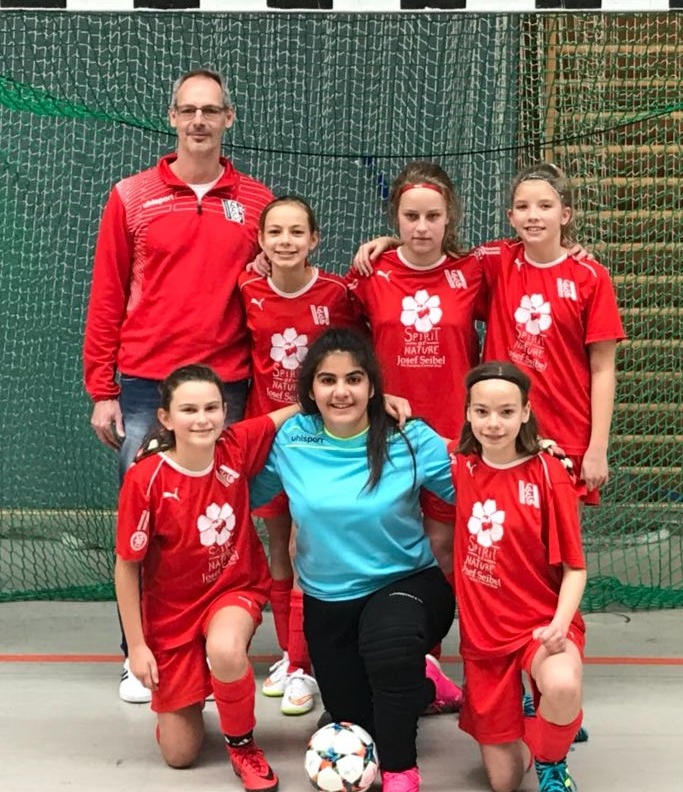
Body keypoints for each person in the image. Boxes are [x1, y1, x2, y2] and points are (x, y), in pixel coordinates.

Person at [82, 67, 273, 702]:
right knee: (149, 522)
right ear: (171, 117)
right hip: (144, 385)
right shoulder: (131, 196)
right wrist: (101, 389)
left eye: (210, 110)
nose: (199, 121)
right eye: (188, 110)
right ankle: (140, 654)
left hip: (228, 382)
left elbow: (276, 290)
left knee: (221, 520)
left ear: (229, 119)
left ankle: (221, 652)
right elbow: (107, 293)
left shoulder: (256, 201)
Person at [249, 327, 464, 792]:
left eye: (354, 379)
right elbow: (232, 486)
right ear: (310, 389)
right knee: (354, 716)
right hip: (329, 601)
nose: (341, 391)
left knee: (388, 653)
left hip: (407, 583)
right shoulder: (294, 440)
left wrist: (536, 455)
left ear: (373, 386)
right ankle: (426, 684)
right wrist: (169, 456)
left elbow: (481, 478)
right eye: (327, 380)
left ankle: (402, 773)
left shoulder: (409, 436)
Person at [115, 364, 298, 792]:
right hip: (172, 614)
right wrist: (137, 647)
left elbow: (283, 414)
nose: (202, 419)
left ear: (224, 411)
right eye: (189, 409)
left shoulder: (234, 447)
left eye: (212, 408)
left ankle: (243, 745)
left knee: (226, 648)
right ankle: (192, 694)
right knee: (179, 756)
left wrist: (376, 402)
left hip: (233, 589)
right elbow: (127, 566)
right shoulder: (146, 480)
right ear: (166, 418)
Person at [237, 196, 362, 715]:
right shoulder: (246, 287)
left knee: (307, 550)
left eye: (296, 232)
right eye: (275, 233)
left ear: (314, 239)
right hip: (272, 435)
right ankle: (292, 657)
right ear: (262, 242)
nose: (285, 241)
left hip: (321, 439)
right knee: (278, 547)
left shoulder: (337, 293)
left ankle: (305, 662)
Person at [343, 161, 486, 575]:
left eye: (432, 216)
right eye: (410, 217)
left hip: (451, 431)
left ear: (449, 217)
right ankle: (399, 637)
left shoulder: (472, 271)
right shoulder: (372, 271)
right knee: (389, 538)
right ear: (396, 219)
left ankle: (434, 639)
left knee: (442, 542)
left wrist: (569, 250)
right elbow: (342, 346)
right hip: (388, 428)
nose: (421, 227)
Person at [450, 361, 586, 792]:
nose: (494, 423)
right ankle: (534, 718)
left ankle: (552, 760)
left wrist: (559, 626)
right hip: (486, 637)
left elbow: (575, 569)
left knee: (562, 684)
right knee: (504, 783)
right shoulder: (458, 466)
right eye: (483, 412)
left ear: (526, 412)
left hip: (540, 625)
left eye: (507, 412)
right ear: (469, 413)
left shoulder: (549, 473)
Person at [474, 163, 626, 510]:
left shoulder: (590, 277)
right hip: (502, 434)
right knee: (507, 545)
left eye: (545, 206)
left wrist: (597, 448)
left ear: (565, 214)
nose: (533, 216)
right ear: (511, 216)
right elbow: (437, 259)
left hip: (566, 432)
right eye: (523, 207)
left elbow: (603, 368)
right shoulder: (496, 261)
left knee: (559, 553)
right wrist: (390, 243)